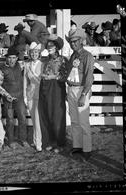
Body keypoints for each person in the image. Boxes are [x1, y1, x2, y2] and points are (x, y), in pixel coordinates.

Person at [65, 28, 94, 160]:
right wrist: (68, 90)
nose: (73, 44)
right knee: (74, 120)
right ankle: (77, 145)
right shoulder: (73, 56)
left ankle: (87, 149)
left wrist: (84, 94)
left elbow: (89, 76)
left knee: (83, 121)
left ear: (81, 41)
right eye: (71, 42)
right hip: (71, 89)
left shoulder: (87, 56)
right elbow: (70, 74)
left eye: (75, 41)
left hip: (81, 90)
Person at [38, 35, 68, 153]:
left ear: (56, 47)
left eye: (51, 46)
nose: (49, 47)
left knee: (58, 116)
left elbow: (65, 76)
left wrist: (53, 77)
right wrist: (44, 77)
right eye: (48, 46)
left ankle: (60, 143)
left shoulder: (63, 60)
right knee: (48, 114)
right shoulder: (45, 60)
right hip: (46, 88)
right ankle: (52, 141)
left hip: (57, 88)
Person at [0, 46, 29, 149]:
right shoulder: (2, 69)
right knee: (10, 120)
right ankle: (11, 140)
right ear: (7, 58)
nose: (12, 60)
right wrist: (6, 95)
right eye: (10, 57)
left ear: (17, 58)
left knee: (22, 118)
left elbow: (33, 61)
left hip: (19, 97)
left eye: (14, 58)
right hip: (8, 99)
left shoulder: (21, 65)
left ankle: (23, 139)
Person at [23, 42, 44, 152]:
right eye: (32, 52)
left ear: (39, 53)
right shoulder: (27, 65)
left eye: (36, 52)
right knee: (33, 118)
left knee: (37, 120)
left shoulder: (43, 64)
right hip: (30, 94)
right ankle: (36, 140)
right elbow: (25, 81)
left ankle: (38, 142)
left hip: (40, 94)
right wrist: (25, 96)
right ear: (30, 54)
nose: (34, 54)